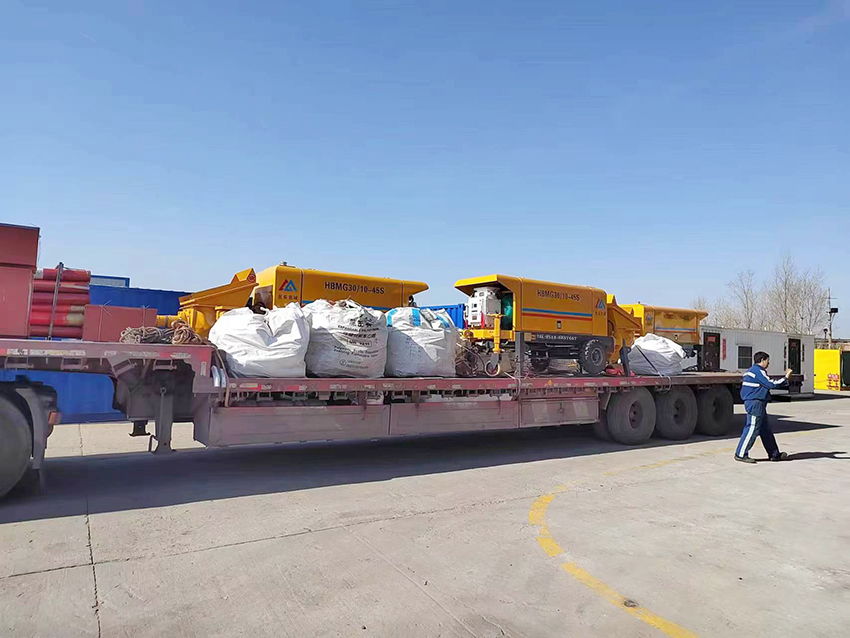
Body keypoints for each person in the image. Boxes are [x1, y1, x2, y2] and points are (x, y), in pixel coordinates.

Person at [735, 351, 792, 463]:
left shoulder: (752, 371)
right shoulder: (758, 371)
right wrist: (786, 377)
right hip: (755, 403)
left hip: (758, 403)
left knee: (765, 429)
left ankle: (774, 454)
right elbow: (771, 384)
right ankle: (740, 454)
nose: (768, 363)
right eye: (767, 361)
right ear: (762, 360)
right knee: (752, 427)